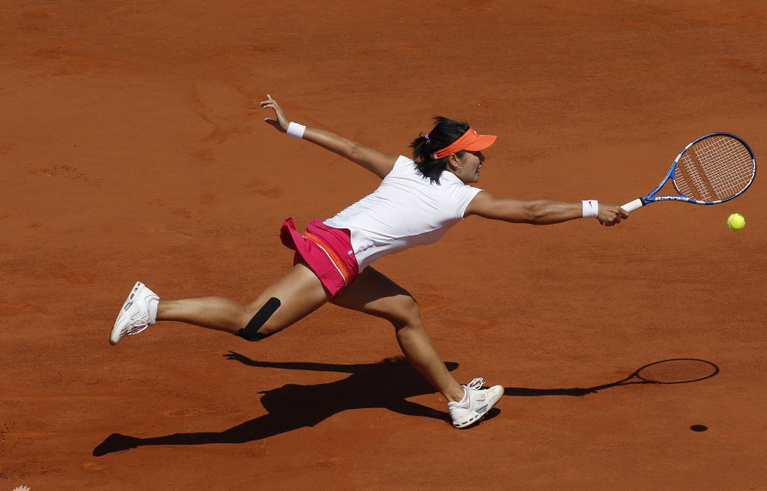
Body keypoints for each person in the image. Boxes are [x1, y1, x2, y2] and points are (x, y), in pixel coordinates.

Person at [109, 95, 628, 429]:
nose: (482, 159)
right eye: (475, 153)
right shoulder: (458, 198)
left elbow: (351, 148)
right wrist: (591, 209)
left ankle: (456, 400)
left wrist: (293, 127)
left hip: (342, 252)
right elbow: (532, 212)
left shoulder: (407, 170)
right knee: (253, 324)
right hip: (337, 255)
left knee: (404, 309)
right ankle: (155, 307)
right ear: (452, 158)